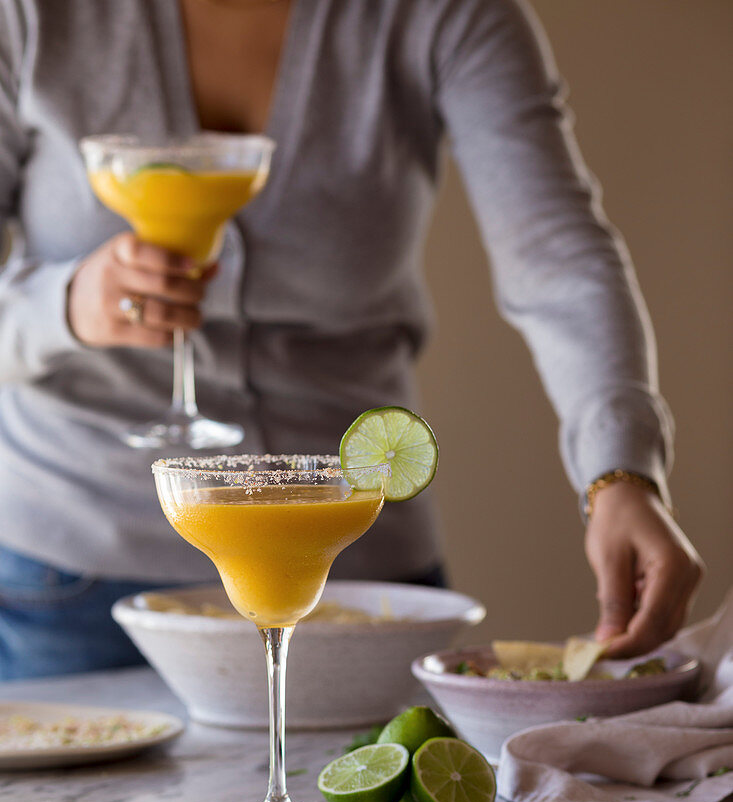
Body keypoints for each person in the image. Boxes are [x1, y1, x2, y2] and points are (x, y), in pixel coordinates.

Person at [0, 0, 702, 680]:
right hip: (72, 574)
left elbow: (557, 258)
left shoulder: (444, 14)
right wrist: (61, 307)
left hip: (353, 567)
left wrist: (619, 473)